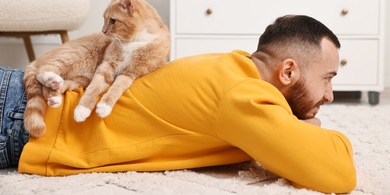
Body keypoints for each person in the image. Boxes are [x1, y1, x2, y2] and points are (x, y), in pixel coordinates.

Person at [0, 15, 356, 193]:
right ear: (288, 71)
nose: (329, 96)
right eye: (327, 78)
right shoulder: (241, 95)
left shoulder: (229, 66)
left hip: (18, 97)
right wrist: (312, 130)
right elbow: (338, 175)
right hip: (22, 119)